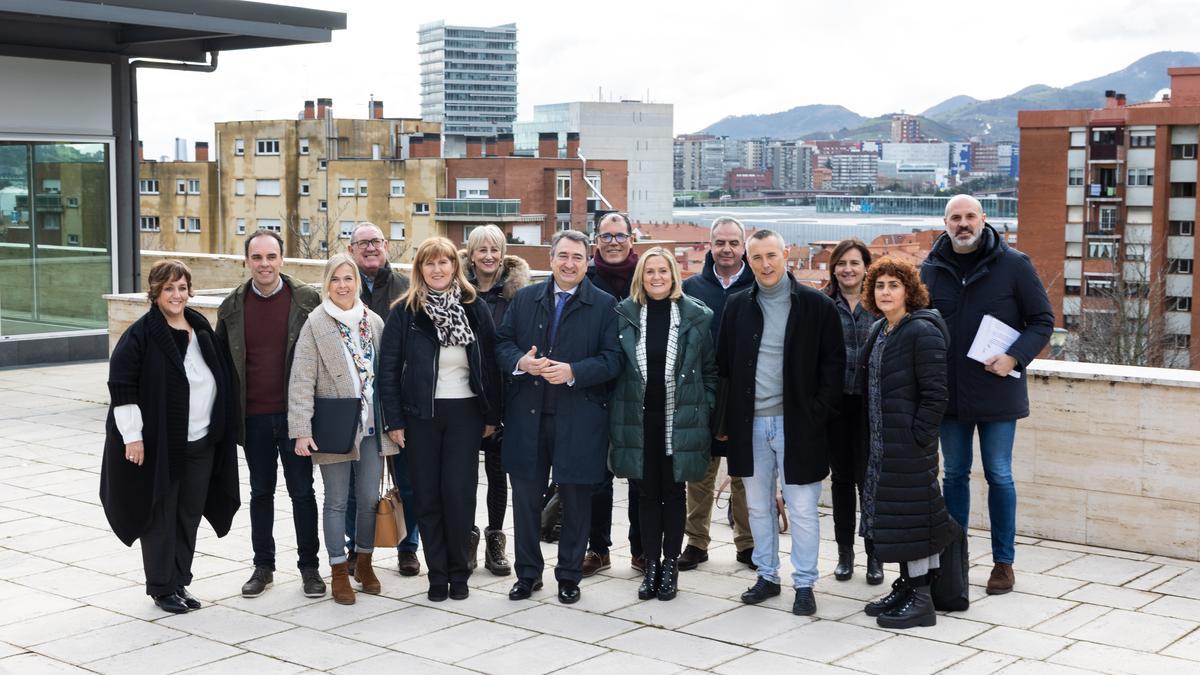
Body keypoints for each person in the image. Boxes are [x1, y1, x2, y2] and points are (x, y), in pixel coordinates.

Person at [920, 194, 1054, 595]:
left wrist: (1013, 358)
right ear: (945, 224)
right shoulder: (931, 270)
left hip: (997, 392)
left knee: (999, 475)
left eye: (969, 217)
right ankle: (953, 560)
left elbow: (1043, 321)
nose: (963, 224)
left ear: (984, 220)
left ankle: (1003, 564)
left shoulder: (1014, 265)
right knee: (955, 476)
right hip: (950, 396)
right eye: (955, 218)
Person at [715, 229, 844, 616]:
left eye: (771, 256)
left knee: (802, 508)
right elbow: (723, 367)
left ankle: (804, 583)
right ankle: (767, 576)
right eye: (757, 258)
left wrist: (815, 415)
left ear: (785, 255)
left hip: (797, 426)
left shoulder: (816, 305)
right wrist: (724, 423)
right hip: (749, 425)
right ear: (747, 261)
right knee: (757, 508)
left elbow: (834, 367)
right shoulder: (736, 306)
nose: (765, 265)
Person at [101, 259, 239, 613]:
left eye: (182, 288)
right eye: (169, 289)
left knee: (189, 514)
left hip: (202, 441)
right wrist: (132, 437)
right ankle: (161, 587)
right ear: (155, 293)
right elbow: (122, 387)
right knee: (161, 515)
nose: (177, 295)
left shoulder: (200, 328)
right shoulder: (141, 335)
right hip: (162, 445)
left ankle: (179, 581)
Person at [496, 229, 622, 605]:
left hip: (579, 419)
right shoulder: (525, 298)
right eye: (563, 256)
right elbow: (501, 344)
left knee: (577, 501)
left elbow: (613, 360)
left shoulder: (604, 305)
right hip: (527, 418)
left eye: (577, 258)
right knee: (526, 501)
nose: (569, 264)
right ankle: (528, 575)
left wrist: (573, 371)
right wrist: (522, 362)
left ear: (588, 263)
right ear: (550, 259)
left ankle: (569, 576)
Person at [380, 237, 501, 602]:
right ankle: (437, 575)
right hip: (421, 416)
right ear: (420, 269)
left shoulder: (474, 308)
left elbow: (492, 365)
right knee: (427, 497)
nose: (437, 269)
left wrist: (492, 414)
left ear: (454, 267)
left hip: (465, 413)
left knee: (459, 496)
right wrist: (394, 420)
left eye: (443, 262)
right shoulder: (405, 312)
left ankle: (459, 573)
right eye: (429, 263)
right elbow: (387, 370)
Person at [215, 229, 324, 599]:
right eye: (257, 258)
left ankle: (310, 568)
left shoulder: (308, 300)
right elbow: (220, 369)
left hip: (296, 420)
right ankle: (263, 567)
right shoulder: (231, 307)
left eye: (271, 257)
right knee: (261, 493)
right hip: (254, 418)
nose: (264, 264)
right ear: (247, 261)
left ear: (282, 259)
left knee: (302, 493)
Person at [288, 253, 398, 605]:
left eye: (348, 278)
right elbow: (301, 380)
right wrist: (301, 429)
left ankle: (363, 562)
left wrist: (394, 422)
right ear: (327, 284)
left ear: (357, 283)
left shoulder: (374, 322)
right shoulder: (315, 323)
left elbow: (388, 376)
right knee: (335, 501)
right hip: (333, 427)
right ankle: (338, 570)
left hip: (371, 426)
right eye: (335, 279)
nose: (343, 285)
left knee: (367, 499)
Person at [609, 248, 717, 601]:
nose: (656, 277)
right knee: (644, 495)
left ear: (673, 276)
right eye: (650, 271)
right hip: (637, 422)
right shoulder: (625, 315)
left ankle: (671, 567)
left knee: (673, 494)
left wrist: (704, 408)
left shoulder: (696, 317)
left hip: (679, 418)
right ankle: (650, 565)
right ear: (641, 277)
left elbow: (710, 371)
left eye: (663, 271)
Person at [859, 256, 954, 628]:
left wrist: (919, 439)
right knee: (898, 519)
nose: (885, 292)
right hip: (884, 446)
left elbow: (936, 395)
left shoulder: (922, 330)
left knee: (916, 519)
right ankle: (907, 586)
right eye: (880, 285)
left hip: (909, 448)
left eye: (893, 285)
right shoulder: (881, 329)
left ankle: (922, 600)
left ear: (909, 291)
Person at [679, 216, 756, 571]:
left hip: (746, 392)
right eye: (720, 242)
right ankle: (696, 542)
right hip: (702, 393)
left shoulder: (759, 284)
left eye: (733, 243)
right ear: (710, 246)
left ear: (744, 245)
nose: (727, 249)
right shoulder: (691, 287)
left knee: (744, 474)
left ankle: (747, 543)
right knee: (700, 473)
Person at [344, 223, 420, 578]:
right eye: (363, 243)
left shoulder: (407, 289)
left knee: (407, 479)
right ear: (351, 249)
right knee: (353, 483)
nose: (371, 248)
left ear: (386, 246)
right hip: (351, 404)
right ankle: (356, 549)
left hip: (397, 401)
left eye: (376, 242)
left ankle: (408, 547)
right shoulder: (341, 288)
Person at [461, 224, 531, 576]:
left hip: (505, 396)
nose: (489, 256)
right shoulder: (458, 292)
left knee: (497, 472)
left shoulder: (517, 296)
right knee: (463, 474)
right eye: (481, 250)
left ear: (503, 254)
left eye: (495, 250)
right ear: (471, 254)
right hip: (465, 393)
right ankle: (468, 536)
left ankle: (495, 539)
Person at [583, 211, 641, 575]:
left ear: (631, 239)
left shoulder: (648, 277)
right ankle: (598, 548)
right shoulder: (586, 281)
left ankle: (641, 548)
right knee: (597, 479)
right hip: (597, 392)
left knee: (640, 476)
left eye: (620, 235)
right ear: (596, 242)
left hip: (638, 393)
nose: (614, 242)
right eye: (607, 236)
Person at [823, 239, 883, 585]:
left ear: (866, 267)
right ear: (834, 268)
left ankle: (875, 555)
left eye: (855, 263)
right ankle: (845, 554)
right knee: (842, 482)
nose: (848, 269)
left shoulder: (879, 303)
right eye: (841, 263)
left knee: (870, 482)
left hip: (870, 405)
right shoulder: (823, 304)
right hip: (836, 406)